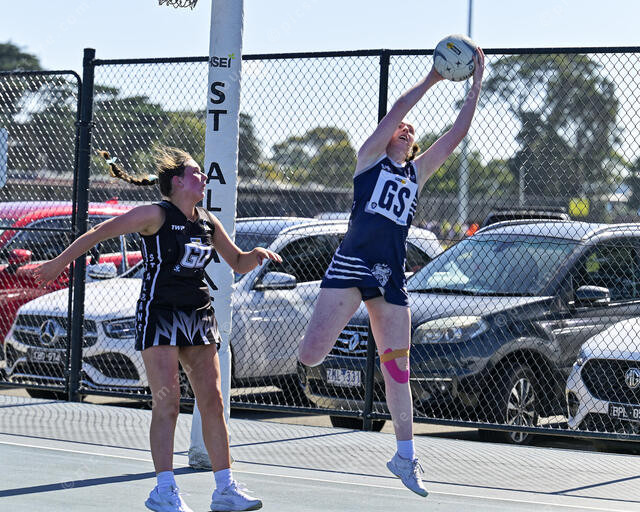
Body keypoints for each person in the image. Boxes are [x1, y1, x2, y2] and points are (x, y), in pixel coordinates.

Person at [34, 146, 279, 512]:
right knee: (168, 401)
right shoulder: (154, 215)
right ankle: (164, 490)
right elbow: (100, 232)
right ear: (177, 181)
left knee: (212, 400)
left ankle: (225, 488)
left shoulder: (208, 221)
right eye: (196, 173)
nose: (204, 178)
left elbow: (238, 262)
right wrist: (59, 262)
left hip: (198, 314)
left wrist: (254, 256)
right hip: (160, 314)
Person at [298, 50, 485, 496]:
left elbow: (457, 134)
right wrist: (433, 77)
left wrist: (475, 84)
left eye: (411, 131)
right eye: (400, 128)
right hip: (352, 264)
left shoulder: (416, 174)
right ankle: (334, 336)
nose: (405, 128)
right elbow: (399, 108)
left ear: (413, 147)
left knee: (398, 370)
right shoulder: (368, 160)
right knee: (311, 356)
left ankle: (405, 456)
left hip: (390, 278)